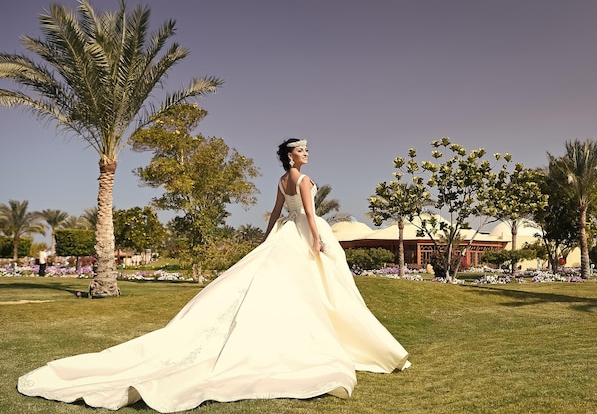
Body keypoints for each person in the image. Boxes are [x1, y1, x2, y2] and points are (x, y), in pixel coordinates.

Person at [17, 138, 410, 413]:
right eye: (303, 150)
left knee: (294, 285)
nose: (307, 154)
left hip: (285, 235)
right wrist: (317, 242)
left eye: (307, 150)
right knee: (322, 286)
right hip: (307, 233)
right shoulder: (303, 181)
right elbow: (308, 212)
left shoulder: (280, 180)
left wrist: (266, 237)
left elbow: (276, 213)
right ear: (292, 156)